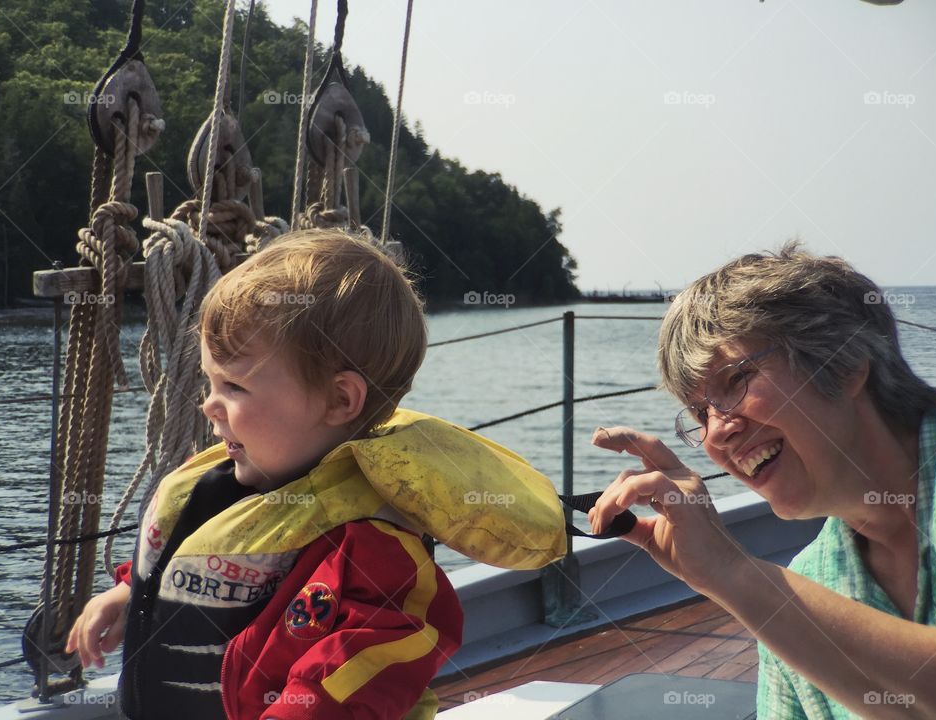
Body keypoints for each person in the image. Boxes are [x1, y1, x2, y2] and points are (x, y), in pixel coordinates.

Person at [65, 229, 565, 720]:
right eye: (209, 383)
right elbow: (189, 555)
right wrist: (129, 595)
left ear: (339, 399)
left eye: (234, 387)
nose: (209, 406)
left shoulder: (370, 546)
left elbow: (356, 670)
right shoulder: (228, 485)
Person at [589, 242, 936, 718]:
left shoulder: (778, 604)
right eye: (699, 413)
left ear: (843, 364)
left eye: (737, 380)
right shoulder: (805, 586)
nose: (717, 430)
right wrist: (736, 581)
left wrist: (734, 574)